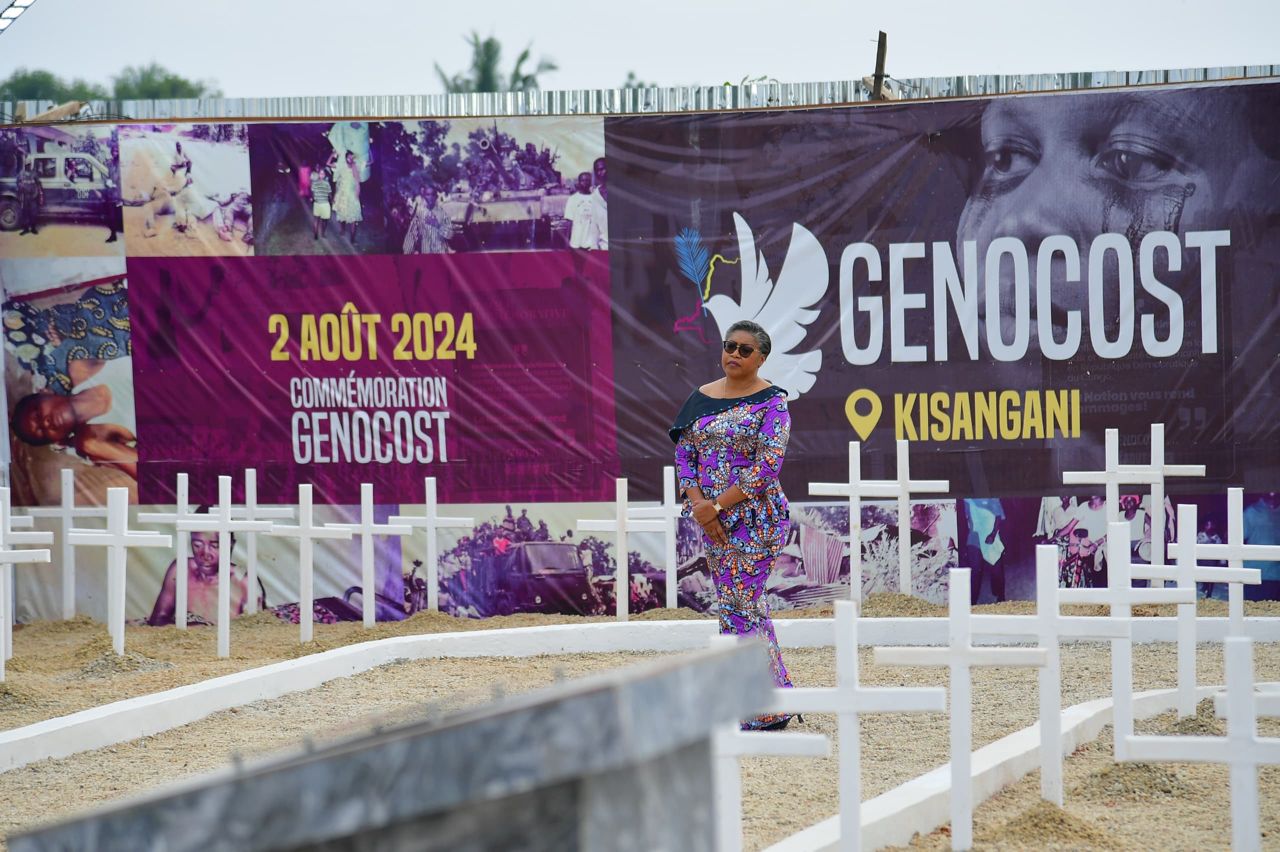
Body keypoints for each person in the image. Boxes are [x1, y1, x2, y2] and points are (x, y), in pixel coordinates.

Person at [670, 319, 796, 730]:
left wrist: (716, 507)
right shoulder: (701, 398)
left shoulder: (772, 403)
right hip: (712, 520)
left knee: (741, 603)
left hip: (757, 519)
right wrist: (699, 506)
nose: (734, 355)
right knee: (738, 605)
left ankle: (756, 705)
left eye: (745, 350)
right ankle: (769, 700)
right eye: (729, 346)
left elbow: (768, 465)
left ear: (761, 358)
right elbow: (684, 454)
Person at [10, 356, 137, 479]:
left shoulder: (80, 369)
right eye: (42, 432)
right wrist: (87, 447)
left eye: (38, 415)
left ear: (45, 392)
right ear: (57, 440)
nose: (45, 423)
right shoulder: (93, 441)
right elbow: (146, 472)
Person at [148, 529, 262, 626]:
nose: (205, 554)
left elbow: (254, 632)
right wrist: (189, 630)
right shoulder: (181, 569)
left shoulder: (245, 582)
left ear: (230, 545)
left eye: (215, 546)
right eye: (197, 545)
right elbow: (156, 621)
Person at [963, 498, 1006, 603]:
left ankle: (1000, 596)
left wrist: (993, 534)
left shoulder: (992, 497)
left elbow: (999, 516)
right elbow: (967, 519)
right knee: (975, 570)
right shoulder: (967, 499)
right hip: (974, 536)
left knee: (996, 568)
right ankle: (972, 602)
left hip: (989, 533)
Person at [1243, 492, 1280, 600]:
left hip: (1277, 575)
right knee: (1254, 608)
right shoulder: (1251, 512)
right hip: (1255, 574)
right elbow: (1237, 539)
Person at [401, 185, 454, 254]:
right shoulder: (419, 214)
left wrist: (437, 225)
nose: (430, 197)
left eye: (433, 195)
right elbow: (412, 234)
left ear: (436, 197)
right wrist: (407, 252)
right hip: (426, 253)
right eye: (428, 195)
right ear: (424, 197)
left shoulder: (443, 213)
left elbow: (450, 234)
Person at [563, 171, 606, 250]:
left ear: (591, 182)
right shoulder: (572, 199)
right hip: (576, 243)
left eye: (587, 180)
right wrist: (567, 242)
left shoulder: (596, 198)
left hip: (592, 244)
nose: (585, 183)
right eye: (582, 180)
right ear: (579, 182)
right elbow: (569, 222)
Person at [332, 150, 363, 241]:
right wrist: (335, 195)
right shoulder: (342, 167)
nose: (349, 158)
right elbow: (338, 183)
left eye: (351, 157)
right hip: (342, 195)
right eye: (348, 157)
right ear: (345, 158)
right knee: (342, 215)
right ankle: (342, 229)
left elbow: (357, 182)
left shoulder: (355, 167)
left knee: (353, 217)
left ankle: (352, 238)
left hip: (352, 195)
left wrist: (357, 194)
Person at [309, 159, 333, 240]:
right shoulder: (315, 183)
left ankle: (322, 233)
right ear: (318, 174)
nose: (321, 175)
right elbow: (313, 192)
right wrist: (313, 198)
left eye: (323, 173)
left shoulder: (327, 183)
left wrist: (331, 200)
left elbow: (329, 193)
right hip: (318, 203)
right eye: (320, 173)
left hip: (325, 203)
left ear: (325, 175)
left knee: (324, 220)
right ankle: (316, 234)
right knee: (317, 219)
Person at [16, 161, 42, 236]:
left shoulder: (34, 173)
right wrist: (20, 186)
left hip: (33, 196)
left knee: (33, 213)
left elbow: (38, 183)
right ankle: (25, 229)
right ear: (24, 165)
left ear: (30, 165)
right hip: (25, 197)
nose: (28, 166)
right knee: (25, 213)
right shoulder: (21, 174)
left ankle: (33, 228)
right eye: (26, 165)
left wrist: (38, 193)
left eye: (29, 165)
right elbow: (17, 182)